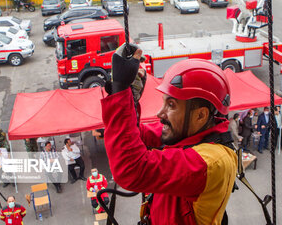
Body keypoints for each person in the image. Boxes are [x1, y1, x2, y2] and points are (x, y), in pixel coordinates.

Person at [102, 44, 238, 225]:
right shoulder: (189, 134)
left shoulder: (210, 162)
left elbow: (131, 170)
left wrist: (120, 89)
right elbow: (136, 136)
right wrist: (128, 98)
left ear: (200, 115)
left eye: (171, 105)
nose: (160, 113)